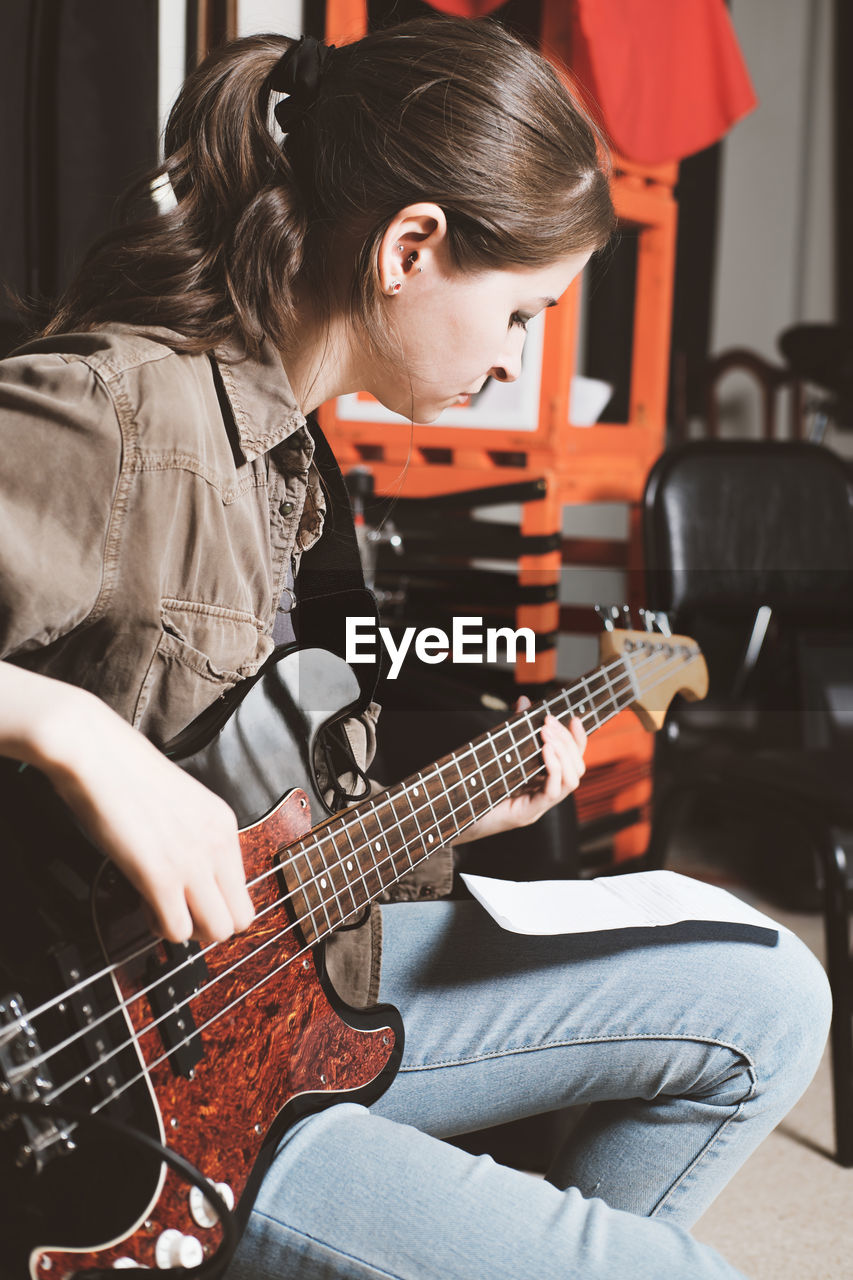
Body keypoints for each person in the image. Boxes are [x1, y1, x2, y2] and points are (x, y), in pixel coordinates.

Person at [0, 17, 830, 1280]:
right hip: (125, 1087)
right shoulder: (119, 416)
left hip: (293, 988)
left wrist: (449, 820)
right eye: (522, 311)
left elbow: (246, 827)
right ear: (411, 248)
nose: (517, 357)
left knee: (778, 994)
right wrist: (64, 733)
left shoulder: (291, 465)